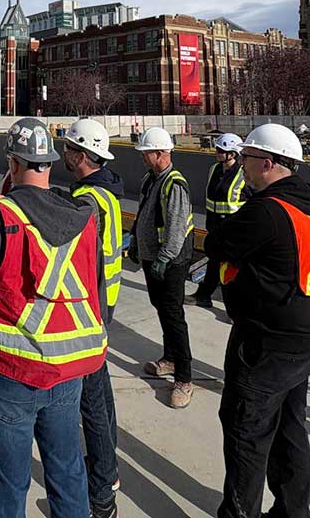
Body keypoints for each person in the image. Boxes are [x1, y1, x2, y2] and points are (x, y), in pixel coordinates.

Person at [0, 117, 107, 518]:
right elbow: (96, 291)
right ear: (50, 162)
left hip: (10, 375)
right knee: (67, 472)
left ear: (13, 164)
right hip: (68, 374)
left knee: (9, 484)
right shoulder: (84, 217)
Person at [203, 123, 310, 518]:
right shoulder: (307, 203)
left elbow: (215, 243)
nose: (242, 165)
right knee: (290, 425)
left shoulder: (266, 211)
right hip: (304, 333)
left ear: (270, 163)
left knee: (247, 431)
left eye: (248, 159)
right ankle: (294, 510)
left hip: (266, 341)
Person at [61, 117, 124, 518]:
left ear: (81, 156)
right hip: (105, 305)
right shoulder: (103, 192)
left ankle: (101, 494)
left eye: (68, 150)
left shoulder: (87, 203)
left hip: (89, 310)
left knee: (91, 404)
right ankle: (109, 471)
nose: (63, 155)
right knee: (100, 394)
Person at [127, 126, 196, 409]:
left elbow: (176, 229)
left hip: (169, 263)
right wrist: (134, 240)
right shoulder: (150, 179)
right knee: (163, 311)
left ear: (160, 153)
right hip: (152, 259)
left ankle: (184, 377)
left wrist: (164, 259)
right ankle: (170, 358)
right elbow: (144, 212)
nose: (143, 158)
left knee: (173, 316)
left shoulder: (174, 184)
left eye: (146, 153)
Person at [193, 133, 248, 308]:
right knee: (214, 263)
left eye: (221, 150)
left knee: (231, 270)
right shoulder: (214, 169)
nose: (217, 153)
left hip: (233, 231)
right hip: (215, 227)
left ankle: (234, 307)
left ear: (232, 153)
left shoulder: (242, 174)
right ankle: (204, 295)